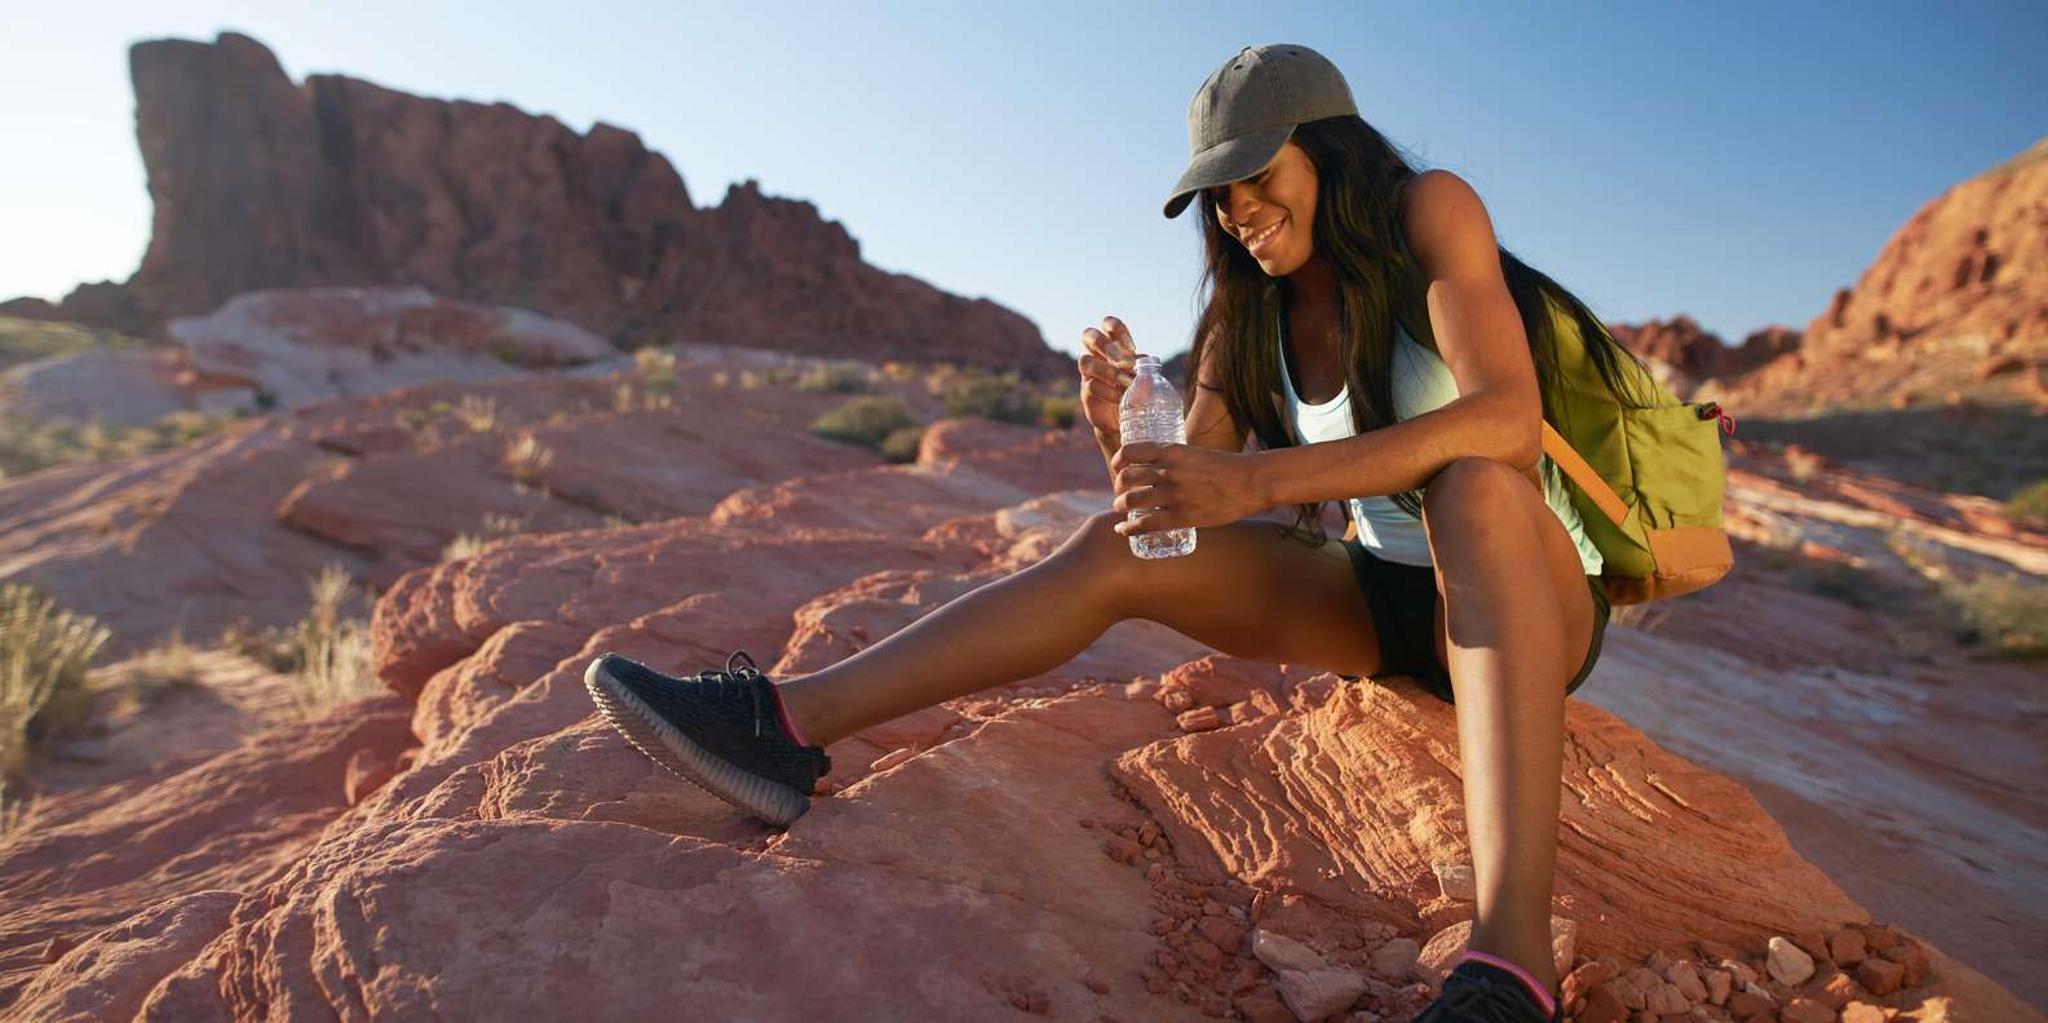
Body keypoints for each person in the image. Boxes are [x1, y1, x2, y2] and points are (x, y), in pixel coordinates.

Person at [587, 43, 1663, 1023]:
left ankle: (1508, 971)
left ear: (1327, 150)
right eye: (1215, 194)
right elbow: (1172, 520)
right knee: (1108, 544)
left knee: (1471, 485)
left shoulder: (1427, 209)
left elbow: (1503, 421)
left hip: (1526, 599)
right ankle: (780, 727)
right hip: (1384, 606)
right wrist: (1120, 440)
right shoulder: (1245, 309)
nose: (1235, 210)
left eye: (1255, 176)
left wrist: (1251, 480)